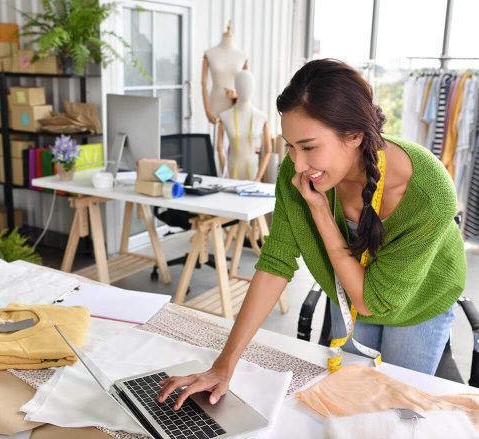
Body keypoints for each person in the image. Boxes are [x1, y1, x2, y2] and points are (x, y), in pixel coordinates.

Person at [157, 58, 467, 410]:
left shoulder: (429, 193)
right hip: (349, 292)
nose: (296, 163)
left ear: (354, 136)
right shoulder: (302, 170)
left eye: (308, 146)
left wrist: (321, 213)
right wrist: (223, 366)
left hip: (418, 302)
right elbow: (275, 262)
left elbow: (372, 301)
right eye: (289, 146)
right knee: (350, 402)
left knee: (399, 411)